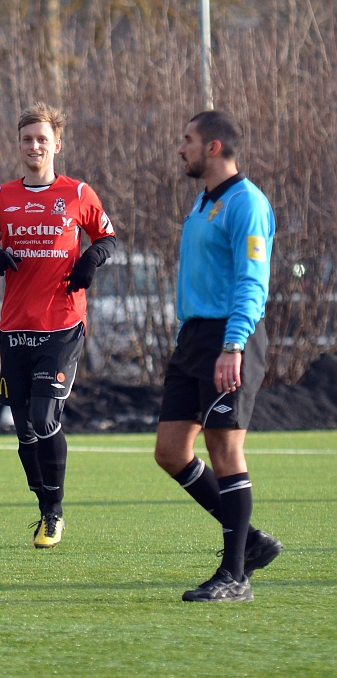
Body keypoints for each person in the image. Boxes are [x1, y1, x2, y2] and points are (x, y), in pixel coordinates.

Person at [0, 102, 116, 549]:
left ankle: (54, 514)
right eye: (27, 139)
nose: (35, 146)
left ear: (57, 144)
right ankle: (43, 505)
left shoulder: (78, 193)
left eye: (42, 139)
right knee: (23, 430)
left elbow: (107, 236)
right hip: (15, 326)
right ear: (19, 145)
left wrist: (92, 257)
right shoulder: (0, 196)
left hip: (62, 322)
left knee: (43, 415)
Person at [154, 110, 282, 603]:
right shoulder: (203, 202)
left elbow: (253, 283)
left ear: (213, 147)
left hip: (231, 338)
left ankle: (235, 575)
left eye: (187, 139)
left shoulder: (246, 203)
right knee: (170, 451)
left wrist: (233, 346)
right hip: (195, 340)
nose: (179, 147)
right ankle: (249, 539)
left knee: (225, 450)